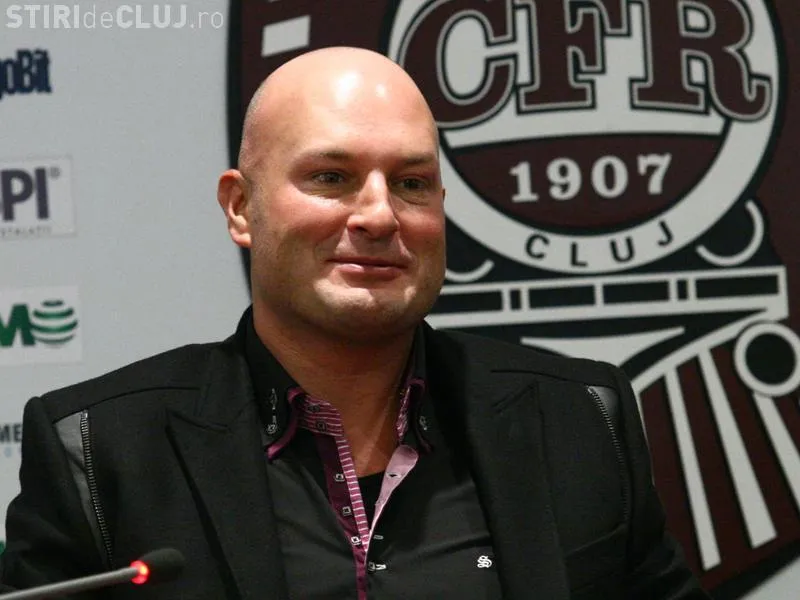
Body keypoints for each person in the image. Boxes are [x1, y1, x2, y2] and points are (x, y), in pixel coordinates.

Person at [0, 47, 709, 599]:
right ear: (241, 208)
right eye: (331, 177)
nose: (378, 215)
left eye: (411, 183)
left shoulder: (581, 417)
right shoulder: (96, 449)